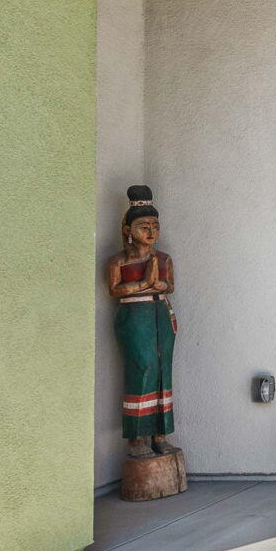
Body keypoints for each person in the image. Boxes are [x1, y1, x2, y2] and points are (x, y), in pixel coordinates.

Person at [106, 185, 178, 458]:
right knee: (142, 368)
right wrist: (145, 283)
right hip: (134, 316)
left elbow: (168, 286)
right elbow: (114, 290)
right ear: (128, 230)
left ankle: (160, 434)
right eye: (143, 226)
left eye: (154, 226)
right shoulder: (118, 261)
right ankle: (137, 438)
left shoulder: (163, 259)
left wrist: (152, 283)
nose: (150, 232)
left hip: (160, 314)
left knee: (162, 370)